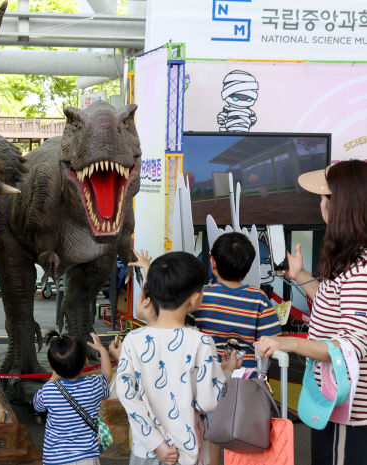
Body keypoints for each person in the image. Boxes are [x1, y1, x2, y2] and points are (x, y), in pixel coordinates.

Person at [256, 160, 367, 464]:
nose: (320, 205)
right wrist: (301, 274)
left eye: (324, 198)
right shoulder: (350, 259)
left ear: (342, 206)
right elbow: (334, 308)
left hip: (350, 412)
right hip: (334, 402)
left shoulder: (359, 270)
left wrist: (286, 342)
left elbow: (350, 346)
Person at [115, 252, 233, 465]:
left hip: (148, 450)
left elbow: (126, 393)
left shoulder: (133, 339)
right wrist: (227, 372)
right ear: (195, 297)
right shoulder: (201, 342)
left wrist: (155, 442)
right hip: (189, 452)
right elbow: (208, 401)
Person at [192, 232, 281, 371]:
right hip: (245, 379)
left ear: (213, 262)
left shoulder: (201, 294)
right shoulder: (259, 298)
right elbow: (272, 340)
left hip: (208, 374)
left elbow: (183, 326)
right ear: (249, 265)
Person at [32, 330, 113, 465]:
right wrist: (103, 351)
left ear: (51, 366)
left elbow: (37, 405)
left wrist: (53, 377)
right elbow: (107, 375)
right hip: (87, 458)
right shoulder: (94, 385)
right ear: (86, 361)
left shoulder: (49, 390)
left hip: (56, 458)